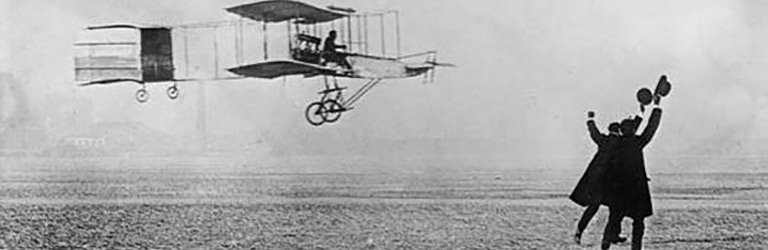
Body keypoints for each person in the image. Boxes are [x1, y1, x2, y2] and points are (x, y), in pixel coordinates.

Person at [601, 95, 663, 250]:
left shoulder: (615, 143)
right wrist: (656, 107)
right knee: (638, 222)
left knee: (614, 219)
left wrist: (641, 113)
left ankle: (605, 246)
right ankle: (636, 248)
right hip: (636, 189)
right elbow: (651, 127)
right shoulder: (637, 143)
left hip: (618, 189)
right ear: (633, 130)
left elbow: (634, 126)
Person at [569, 111, 626, 245]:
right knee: (616, 210)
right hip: (612, 184)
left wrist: (590, 119)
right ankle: (612, 236)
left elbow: (593, 132)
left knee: (593, 208)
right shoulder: (621, 143)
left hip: (598, 183)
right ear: (619, 131)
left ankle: (579, 231)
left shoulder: (604, 140)